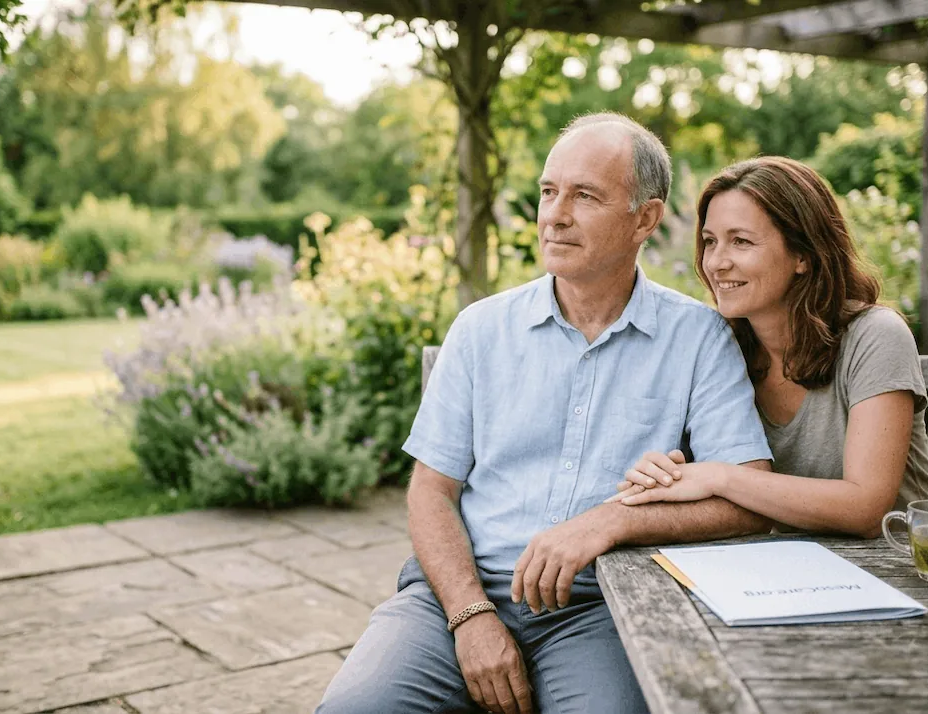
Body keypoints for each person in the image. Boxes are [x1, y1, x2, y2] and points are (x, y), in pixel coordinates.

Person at [316, 112, 775, 714]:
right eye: (548, 191)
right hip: (455, 596)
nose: (554, 214)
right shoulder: (481, 329)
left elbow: (748, 498)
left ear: (646, 218)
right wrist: (470, 615)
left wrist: (610, 522)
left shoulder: (699, 337)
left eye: (585, 196)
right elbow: (430, 489)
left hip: (599, 609)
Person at [614, 156, 928, 538]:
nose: (716, 262)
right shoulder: (718, 347)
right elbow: (697, 480)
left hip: (895, 570)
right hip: (777, 572)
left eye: (741, 241)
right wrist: (664, 474)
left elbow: (866, 509)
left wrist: (721, 477)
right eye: (710, 242)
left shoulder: (875, 337)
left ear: (803, 254)